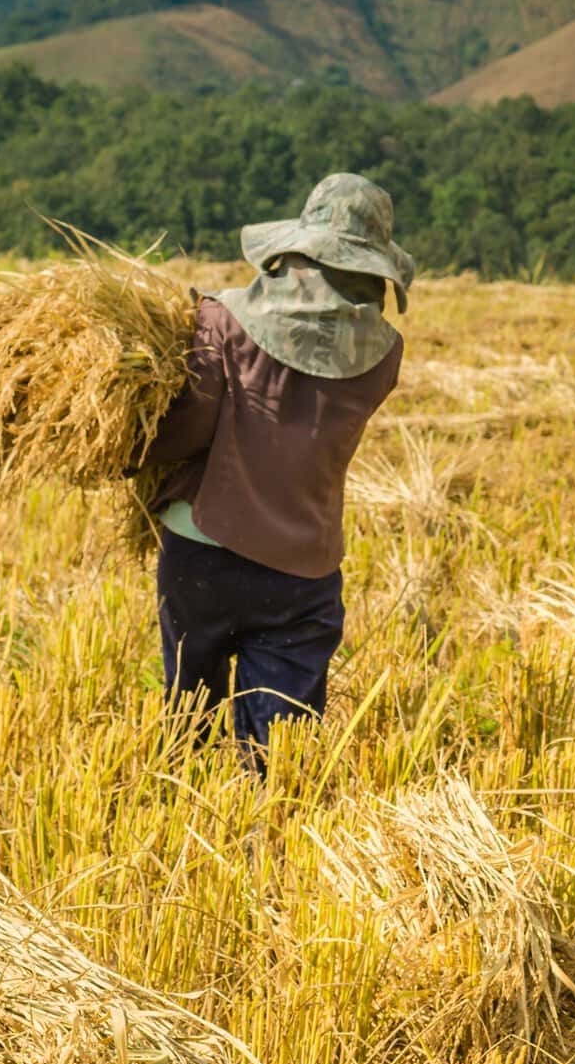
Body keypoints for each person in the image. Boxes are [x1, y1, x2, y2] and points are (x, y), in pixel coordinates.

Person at [140, 172, 412, 766]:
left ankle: (185, 829)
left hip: (203, 549)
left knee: (190, 715)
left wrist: (127, 452)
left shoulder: (221, 321)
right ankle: (266, 833)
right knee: (279, 747)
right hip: (303, 568)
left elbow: (185, 430)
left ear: (296, 249)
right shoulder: (385, 354)